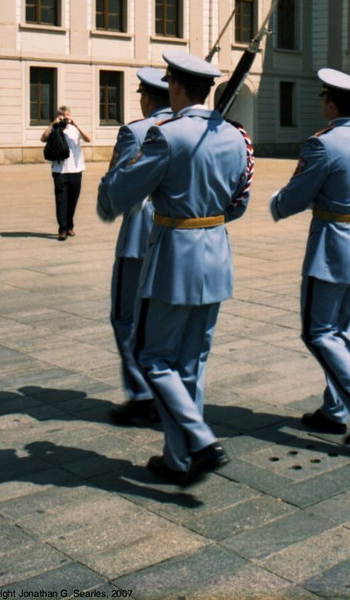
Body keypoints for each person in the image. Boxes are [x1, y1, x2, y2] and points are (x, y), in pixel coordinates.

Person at [97, 49, 253, 486]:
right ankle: (179, 458)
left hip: (173, 259)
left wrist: (111, 186)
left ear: (177, 88)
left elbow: (121, 194)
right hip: (217, 255)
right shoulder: (236, 136)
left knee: (152, 357)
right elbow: (239, 203)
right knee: (192, 361)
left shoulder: (165, 136)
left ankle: (200, 441)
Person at [270, 68, 350, 445]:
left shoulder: (320, 144)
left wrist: (277, 203)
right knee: (340, 330)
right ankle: (335, 410)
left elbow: (296, 197)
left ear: (330, 103)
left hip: (331, 246)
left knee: (318, 332)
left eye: (324, 97)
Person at [97, 68, 172, 426]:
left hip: (140, 236)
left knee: (125, 316)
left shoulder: (137, 131)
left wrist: (105, 204)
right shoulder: (189, 128)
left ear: (146, 97)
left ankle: (143, 394)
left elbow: (117, 184)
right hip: (178, 236)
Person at [41, 107, 90, 241]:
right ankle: (62, 229)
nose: (65, 118)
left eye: (66, 115)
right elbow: (43, 138)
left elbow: (88, 139)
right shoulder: (55, 128)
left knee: (73, 200)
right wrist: (53, 124)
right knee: (61, 200)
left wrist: (76, 124)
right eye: (62, 115)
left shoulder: (75, 129)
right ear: (58, 115)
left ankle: (69, 226)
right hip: (59, 170)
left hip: (76, 169)